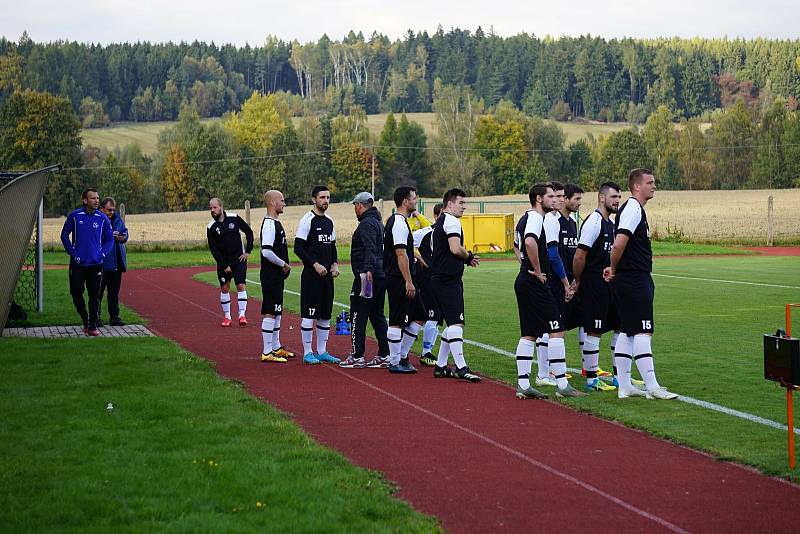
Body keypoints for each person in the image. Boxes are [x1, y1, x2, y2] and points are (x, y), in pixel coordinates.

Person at [604, 169, 677, 400]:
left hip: (630, 277)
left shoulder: (633, 209)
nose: (654, 186)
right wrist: (614, 268)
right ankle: (652, 387)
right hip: (634, 278)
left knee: (627, 331)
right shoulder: (633, 208)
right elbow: (619, 243)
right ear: (637, 186)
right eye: (650, 182)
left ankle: (624, 386)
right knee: (644, 330)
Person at [513, 183, 586, 398]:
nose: (555, 200)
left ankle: (524, 385)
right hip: (534, 282)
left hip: (524, 280)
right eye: (551, 196)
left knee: (529, 333)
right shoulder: (537, 218)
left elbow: (518, 244)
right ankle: (562, 384)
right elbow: (529, 242)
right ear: (538, 198)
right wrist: (537, 270)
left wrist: (527, 268)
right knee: (557, 328)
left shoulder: (525, 217)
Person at [572, 182, 622, 392]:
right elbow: (579, 255)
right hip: (594, 283)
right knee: (594, 330)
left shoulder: (610, 223)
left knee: (620, 326)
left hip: (610, 284)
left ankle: (620, 376)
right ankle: (592, 378)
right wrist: (579, 280)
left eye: (619, 197)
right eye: (613, 197)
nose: (617, 201)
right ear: (601, 198)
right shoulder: (594, 222)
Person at [429, 188, 481, 382]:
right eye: (461, 203)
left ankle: (441, 365)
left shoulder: (440, 221)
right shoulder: (451, 220)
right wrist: (468, 256)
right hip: (447, 280)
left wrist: (466, 259)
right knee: (457, 324)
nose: (464, 207)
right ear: (449, 204)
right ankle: (461, 367)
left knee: (451, 324)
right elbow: (454, 248)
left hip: (440, 279)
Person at [340, 191, 390, 369]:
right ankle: (385, 353)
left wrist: (368, 270)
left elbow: (369, 248)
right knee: (377, 315)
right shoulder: (378, 222)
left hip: (366, 276)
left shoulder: (366, 224)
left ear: (360, 205)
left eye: (355, 205)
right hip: (380, 275)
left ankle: (357, 355)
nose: (355, 209)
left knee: (357, 315)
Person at [294, 185, 341, 365]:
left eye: (328, 197)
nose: (325, 201)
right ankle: (308, 352)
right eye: (322, 197)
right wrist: (315, 264)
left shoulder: (329, 221)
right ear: (314, 199)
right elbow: (298, 248)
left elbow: (333, 246)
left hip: (327, 277)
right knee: (309, 314)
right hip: (311, 277)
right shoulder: (307, 220)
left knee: (325, 315)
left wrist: (334, 264)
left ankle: (322, 351)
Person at [384, 186, 428, 374]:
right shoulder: (399, 222)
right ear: (405, 201)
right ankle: (394, 361)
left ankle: (402, 355)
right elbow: (401, 253)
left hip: (402, 277)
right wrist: (408, 281)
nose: (415, 201)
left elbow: (406, 252)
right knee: (397, 320)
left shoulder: (399, 221)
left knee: (420, 315)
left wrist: (417, 257)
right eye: (414, 198)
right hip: (398, 279)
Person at [60, 188, 114, 336]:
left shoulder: (102, 218)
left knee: (94, 296)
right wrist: (72, 252)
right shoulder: (75, 216)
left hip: (96, 264)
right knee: (76, 292)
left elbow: (110, 239)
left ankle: (92, 325)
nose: (96, 200)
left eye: (97, 198)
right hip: (78, 264)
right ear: (85, 200)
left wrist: (102, 253)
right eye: (93, 198)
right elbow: (64, 235)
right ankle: (85, 318)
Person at [258, 190, 295, 363]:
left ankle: (276, 346)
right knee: (270, 311)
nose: (284, 203)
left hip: (277, 276)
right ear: (272, 203)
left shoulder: (275, 223)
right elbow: (266, 251)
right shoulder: (269, 225)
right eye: (281, 200)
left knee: (277, 311)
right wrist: (283, 264)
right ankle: (267, 352)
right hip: (270, 275)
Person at [206, 197, 254, 327]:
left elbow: (249, 232)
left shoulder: (234, 218)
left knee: (240, 286)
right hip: (223, 262)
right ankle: (227, 317)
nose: (212, 210)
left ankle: (242, 315)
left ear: (221, 207)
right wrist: (224, 265)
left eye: (214, 207)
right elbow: (213, 249)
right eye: (210, 208)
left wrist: (248, 251)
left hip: (239, 260)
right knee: (225, 288)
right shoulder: (211, 227)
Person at [413, 202, 443, 366]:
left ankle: (428, 351)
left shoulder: (448, 233)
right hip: (427, 279)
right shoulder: (425, 233)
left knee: (437, 316)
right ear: (437, 215)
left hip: (442, 280)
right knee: (432, 314)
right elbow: (406, 244)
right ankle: (426, 353)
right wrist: (420, 259)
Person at [98, 197, 128, 327]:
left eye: (113, 210)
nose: (111, 212)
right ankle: (95, 317)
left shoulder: (117, 219)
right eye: (109, 210)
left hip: (116, 263)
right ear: (102, 209)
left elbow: (125, 232)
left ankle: (114, 317)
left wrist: (122, 237)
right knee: (97, 293)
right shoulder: (97, 219)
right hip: (102, 263)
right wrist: (109, 236)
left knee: (114, 293)